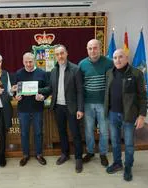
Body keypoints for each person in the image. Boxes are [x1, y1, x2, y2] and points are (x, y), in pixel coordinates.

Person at [39, 45, 84, 173]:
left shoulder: (76, 69)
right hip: (58, 107)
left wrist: (80, 109)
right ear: (55, 56)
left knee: (76, 133)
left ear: (66, 53)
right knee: (62, 131)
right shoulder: (54, 71)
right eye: (57, 54)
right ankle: (65, 153)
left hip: (72, 108)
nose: (60, 56)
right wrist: (37, 92)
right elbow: (50, 89)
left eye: (62, 53)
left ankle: (79, 158)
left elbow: (80, 91)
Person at [105, 49, 148, 181]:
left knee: (128, 144)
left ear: (127, 58)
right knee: (115, 142)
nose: (117, 60)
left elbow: (142, 97)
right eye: (115, 57)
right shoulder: (109, 73)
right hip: (113, 114)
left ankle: (128, 166)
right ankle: (117, 163)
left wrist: (142, 115)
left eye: (120, 57)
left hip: (129, 115)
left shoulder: (137, 73)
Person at [79, 39, 113, 167]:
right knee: (88, 130)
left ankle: (103, 153)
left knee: (104, 130)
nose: (92, 51)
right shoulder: (82, 64)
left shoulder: (109, 63)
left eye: (95, 48)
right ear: (87, 49)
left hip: (103, 104)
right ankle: (90, 151)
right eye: (90, 48)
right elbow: (80, 86)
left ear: (100, 48)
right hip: (88, 104)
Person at [13, 52, 48, 166]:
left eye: (30, 61)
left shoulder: (42, 73)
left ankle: (39, 154)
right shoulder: (18, 73)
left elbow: (47, 88)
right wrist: (15, 96)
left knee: (38, 133)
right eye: (26, 62)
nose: (28, 64)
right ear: (23, 62)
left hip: (37, 108)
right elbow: (14, 90)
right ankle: (25, 155)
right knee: (24, 133)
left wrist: (43, 96)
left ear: (35, 61)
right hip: (23, 109)